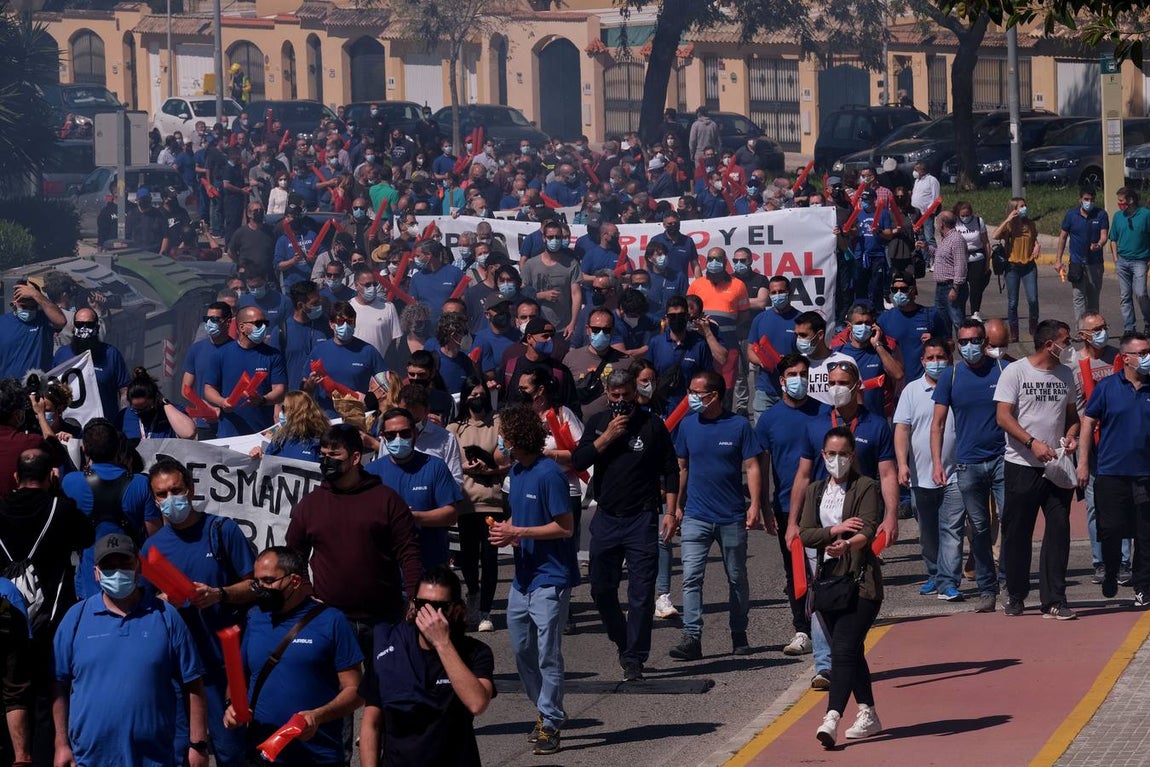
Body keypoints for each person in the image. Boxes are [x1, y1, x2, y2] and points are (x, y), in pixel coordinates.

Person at [53, 533, 209, 767]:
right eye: (108, 566)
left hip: (155, 757)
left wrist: (198, 745)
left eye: (125, 564)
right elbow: (59, 685)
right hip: (90, 758)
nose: (117, 572)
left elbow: (193, 684)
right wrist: (61, 744)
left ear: (138, 567)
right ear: (96, 573)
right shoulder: (75, 618)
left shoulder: (167, 616)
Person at [142, 459, 254, 767]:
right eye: (161, 494)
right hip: (177, 674)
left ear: (190, 489)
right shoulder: (151, 550)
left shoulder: (222, 530)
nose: (170, 499)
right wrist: (161, 606)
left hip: (228, 666)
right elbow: (139, 611)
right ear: (154, 499)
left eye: (175, 490)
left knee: (234, 752)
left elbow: (256, 586)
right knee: (184, 755)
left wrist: (220, 594)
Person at [572, 368, 679, 681]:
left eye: (627, 397)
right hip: (607, 517)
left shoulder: (652, 426)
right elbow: (579, 461)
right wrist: (606, 438)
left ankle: (634, 657)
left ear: (637, 395)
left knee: (641, 593)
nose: (621, 403)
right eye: (615, 397)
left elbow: (671, 471)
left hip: (642, 517)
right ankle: (622, 639)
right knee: (601, 590)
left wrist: (670, 512)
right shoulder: (597, 424)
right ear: (607, 394)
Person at [488, 405, 578, 756]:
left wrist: (520, 531)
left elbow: (565, 527)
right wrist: (507, 532)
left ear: (517, 437)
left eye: (504, 436)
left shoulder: (549, 475)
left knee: (547, 654)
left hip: (551, 578)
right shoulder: (517, 471)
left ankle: (550, 721)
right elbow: (520, 518)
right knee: (522, 650)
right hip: (524, 577)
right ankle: (546, 709)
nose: (501, 442)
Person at [286, 424, 421, 658]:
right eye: (323, 455)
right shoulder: (310, 504)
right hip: (331, 617)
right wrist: (306, 593)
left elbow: (409, 552)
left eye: (335, 455)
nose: (327, 461)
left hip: (383, 619)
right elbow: (294, 555)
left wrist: (414, 597)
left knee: (386, 688)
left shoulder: (386, 500)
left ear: (356, 457)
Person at [223, 546, 364, 766]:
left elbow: (356, 691)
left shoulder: (332, 621)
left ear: (295, 581)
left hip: (318, 757)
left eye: (269, 581)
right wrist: (231, 706)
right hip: (261, 755)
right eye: (257, 582)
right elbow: (239, 675)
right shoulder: (254, 618)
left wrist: (317, 716)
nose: (261, 589)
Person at [0, 449, 93, 766]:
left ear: (16, 478)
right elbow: (86, 536)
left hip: (6, 617)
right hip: (53, 618)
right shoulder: (62, 509)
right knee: (48, 694)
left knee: (10, 692)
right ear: (51, 478)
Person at [358, 566, 494, 767]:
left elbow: (477, 703)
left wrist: (442, 643)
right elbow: (372, 723)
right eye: (423, 604)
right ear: (413, 604)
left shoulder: (475, 653)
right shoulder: (389, 646)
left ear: (456, 609)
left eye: (438, 606)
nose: (428, 613)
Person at [670, 371, 762, 661]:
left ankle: (739, 633)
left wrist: (756, 505)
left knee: (736, 577)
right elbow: (681, 467)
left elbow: (753, 466)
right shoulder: (686, 426)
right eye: (690, 391)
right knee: (691, 578)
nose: (692, 398)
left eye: (698, 393)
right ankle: (692, 637)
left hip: (731, 515)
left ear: (716, 396)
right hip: (696, 515)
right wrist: (676, 506)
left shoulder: (738, 426)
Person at [801, 428, 885, 748]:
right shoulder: (816, 491)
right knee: (851, 650)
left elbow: (867, 529)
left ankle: (831, 718)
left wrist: (848, 544)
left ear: (853, 456)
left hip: (861, 583)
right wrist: (834, 531)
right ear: (823, 456)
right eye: (831, 454)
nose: (837, 460)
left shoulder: (866, 486)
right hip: (829, 584)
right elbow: (806, 533)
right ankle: (868, 713)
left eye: (843, 454)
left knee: (842, 650)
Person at [995, 320, 1081, 619]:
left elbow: (1072, 416)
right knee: (1018, 533)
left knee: (1059, 530)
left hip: (1056, 466)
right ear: (1049, 345)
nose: (1069, 347)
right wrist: (1031, 442)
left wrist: (1071, 437)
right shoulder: (1016, 371)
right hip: (1022, 465)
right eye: (1066, 341)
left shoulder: (1066, 374)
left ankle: (1055, 598)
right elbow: (1003, 417)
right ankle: (1016, 594)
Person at [755, 354, 824, 676]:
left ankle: (826, 623)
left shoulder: (824, 412)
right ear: (782, 381)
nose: (799, 379)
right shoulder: (769, 420)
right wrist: (764, 505)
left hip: (823, 506)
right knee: (795, 571)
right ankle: (802, 628)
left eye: (803, 373)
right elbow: (762, 465)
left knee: (825, 568)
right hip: (786, 507)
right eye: (792, 374)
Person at [931, 319, 1007, 612]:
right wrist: (938, 462)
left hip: (1002, 460)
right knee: (978, 529)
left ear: (985, 342)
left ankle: (1011, 584)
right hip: (968, 465)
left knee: (1011, 523)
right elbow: (937, 425)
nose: (969, 347)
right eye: (962, 342)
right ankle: (987, 589)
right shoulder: (950, 376)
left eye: (974, 340)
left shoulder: (1002, 370)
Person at [1077, 331, 1150, 606]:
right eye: (1142, 353)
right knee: (1110, 529)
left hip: (1145, 474)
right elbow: (1088, 423)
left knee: (1146, 534)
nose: (1147, 358)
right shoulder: (1107, 388)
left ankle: (1143, 586)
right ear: (1126, 358)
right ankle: (1110, 570)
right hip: (1110, 473)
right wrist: (1083, 463)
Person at [894, 338, 965, 602]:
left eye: (940, 357)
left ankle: (949, 581)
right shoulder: (912, 391)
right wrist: (902, 464)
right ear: (922, 361)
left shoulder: (959, 387)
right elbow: (902, 429)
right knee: (927, 531)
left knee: (952, 529)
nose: (936, 363)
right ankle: (934, 572)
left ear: (949, 358)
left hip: (956, 473)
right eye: (930, 358)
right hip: (920, 475)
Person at [61, 418, 161, 600]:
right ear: (118, 448)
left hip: (90, 579)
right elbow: (155, 536)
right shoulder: (141, 483)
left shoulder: (70, 482)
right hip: (133, 576)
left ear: (84, 450)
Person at [1070, 312, 1131, 586]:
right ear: (1082, 334)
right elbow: (1070, 408)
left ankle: (1124, 562)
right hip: (1092, 445)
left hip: (1121, 444)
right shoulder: (1073, 363)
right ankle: (1101, 562)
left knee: (1124, 504)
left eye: (1105, 327)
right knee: (1095, 507)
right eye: (1096, 329)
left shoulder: (1119, 358)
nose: (1102, 332)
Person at [364, 408, 461, 569]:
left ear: (415, 433)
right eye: (390, 435)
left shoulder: (435, 467)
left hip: (429, 566)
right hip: (386, 569)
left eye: (404, 433)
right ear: (382, 437)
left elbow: (450, 515)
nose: (398, 439)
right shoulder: (371, 471)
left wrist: (413, 517)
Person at [448, 378, 508, 632]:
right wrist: (464, 467)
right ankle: (473, 594)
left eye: (481, 394)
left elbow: (507, 458)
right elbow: (450, 462)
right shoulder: (454, 428)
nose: (478, 398)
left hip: (492, 500)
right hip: (466, 502)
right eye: (473, 394)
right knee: (469, 557)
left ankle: (486, 610)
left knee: (490, 556)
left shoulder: (498, 424)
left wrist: (492, 467)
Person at [203, 306, 288, 438]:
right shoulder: (221, 354)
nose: (263, 328)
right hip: (230, 432)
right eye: (258, 324)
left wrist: (262, 400)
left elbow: (280, 390)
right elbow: (209, 389)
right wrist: (222, 402)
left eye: (265, 323)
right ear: (242, 327)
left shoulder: (273, 355)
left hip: (264, 433)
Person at [304, 301, 386, 416]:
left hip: (360, 418)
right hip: (328, 419)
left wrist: (369, 400)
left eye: (350, 321)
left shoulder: (368, 351)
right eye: (340, 322)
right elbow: (304, 388)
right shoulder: (319, 351)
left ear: (355, 323)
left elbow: (385, 386)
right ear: (331, 324)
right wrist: (309, 385)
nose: (346, 326)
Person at [51, 308, 129, 419]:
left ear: (96, 328)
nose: (84, 328)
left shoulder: (111, 354)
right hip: (70, 428)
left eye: (89, 324)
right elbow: (53, 389)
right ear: (73, 328)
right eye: (79, 324)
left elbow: (124, 390)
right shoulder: (61, 354)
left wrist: (123, 419)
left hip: (104, 426)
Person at [832, 302, 904, 415]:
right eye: (859, 323)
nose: (863, 327)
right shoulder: (838, 352)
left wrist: (877, 344)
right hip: (846, 418)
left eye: (867, 323)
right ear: (849, 327)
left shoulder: (881, 351)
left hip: (875, 418)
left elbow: (898, 374)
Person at [878, 272, 947, 382]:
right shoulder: (884, 319)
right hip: (897, 386)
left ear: (913, 290)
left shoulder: (931, 315)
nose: (899, 293)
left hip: (924, 383)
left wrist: (935, 341)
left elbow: (950, 345)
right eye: (894, 290)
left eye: (903, 289)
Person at [519, 220, 583, 338]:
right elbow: (522, 291)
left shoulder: (571, 263)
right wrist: (541, 295)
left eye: (558, 237)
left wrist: (573, 323)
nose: (554, 240)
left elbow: (576, 294)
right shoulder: (531, 264)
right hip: (537, 327)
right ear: (544, 238)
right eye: (550, 237)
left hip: (563, 327)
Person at [748, 275, 800, 417]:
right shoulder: (760, 319)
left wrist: (790, 361)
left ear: (789, 292)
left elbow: (808, 353)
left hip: (793, 389)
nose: (778, 295)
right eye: (774, 292)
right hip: (765, 390)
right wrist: (762, 362)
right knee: (761, 436)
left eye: (781, 292)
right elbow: (750, 350)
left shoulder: (801, 319)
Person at [182, 301, 235, 440]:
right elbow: (186, 389)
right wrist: (204, 409)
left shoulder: (237, 350)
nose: (210, 323)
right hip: (205, 424)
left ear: (228, 322)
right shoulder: (196, 349)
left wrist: (221, 408)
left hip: (233, 422)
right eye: (207, 319)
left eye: (215, 319)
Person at [992, 197, 1042, 342]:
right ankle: (1014, 331)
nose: (1024, 208)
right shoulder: (1009, 226)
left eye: (1025, 205)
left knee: (1033, 299)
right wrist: (1008, 220)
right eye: (1021, 206)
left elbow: (1033, 238)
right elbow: (995, 235)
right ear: (1014, 209)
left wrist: (1037, 245)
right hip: (1012, 267)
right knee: (1013, 302)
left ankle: (1033, 325)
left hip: (1029, 266)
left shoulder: (1030, 224)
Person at [1056, 188, 1109, 325]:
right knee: (1078, 297)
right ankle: (1081, 329)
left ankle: (1093, 327)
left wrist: (1099, 244)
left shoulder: (1101, 214)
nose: (1089, 202)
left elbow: (1104, 236)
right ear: (1080, 199)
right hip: (1077, 263)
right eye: (1086, 199)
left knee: (1093, 298)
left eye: (1091, 200)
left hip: (1095, 263)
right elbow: (1062, 237)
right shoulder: (1071, 215)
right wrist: (1058, 260)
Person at [115, 367, 197, 446]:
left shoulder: (170, 411)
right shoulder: (124, 416)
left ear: (155, 399)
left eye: (146, 407)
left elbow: (188, 433)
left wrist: (164, 402)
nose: (142, 411)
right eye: (137, 409)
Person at [0, 280, 66, 378]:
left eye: (32, 306)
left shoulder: (44, 320)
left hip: (38, 387)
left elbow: (61, 321)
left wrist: (36, 294)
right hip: (9, 389)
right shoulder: (3, 323)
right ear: (15, 301)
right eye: (24, 306)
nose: (28, 310)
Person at [1108, 187, 1150, 334]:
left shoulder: (1145, 215)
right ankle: (1129, 328)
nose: (1119, 204)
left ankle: (1148, 322)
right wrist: (1115, 258)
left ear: (1131, 200)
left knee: (1141, 293)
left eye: (1121, 200)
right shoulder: (1118, 216)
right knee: (1125, 296)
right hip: (1123, 261)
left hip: (1140, 261)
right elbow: (1112, 238)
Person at [792, 311, 854, 405]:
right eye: (797, 335)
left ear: (820, 335)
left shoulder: (845, 361)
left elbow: (856, 400)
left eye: (803, 335)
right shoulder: (796, 364)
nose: (799, 339)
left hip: (834, 418)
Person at [283, 281, 332, 389]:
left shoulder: (326, 325)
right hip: (296, 399)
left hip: (324, 399)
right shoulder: (282, 331)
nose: (320, 305)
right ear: (301, 305)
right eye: (315, 303)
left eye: (319, 301)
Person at [349, 264, 403, 362]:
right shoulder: (348, 307)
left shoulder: (388, 307)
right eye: (367, 285)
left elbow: (395, 341)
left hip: (382, 365)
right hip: (356, 364)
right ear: (356, 285)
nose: (372, 288)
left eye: (374, 284)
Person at [257, 391, 328, 462]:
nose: (280, 413)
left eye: (284, 408)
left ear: (298, 413)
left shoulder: (321, 441)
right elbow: (267, 463)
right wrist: (260, 453)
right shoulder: (279, 439)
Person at [410, 241, 465, 328]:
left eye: (418, 256)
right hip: (426, 330)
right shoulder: (416, 277)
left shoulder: (455, 272)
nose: (415, 259)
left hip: (452, 327)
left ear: (428, 255)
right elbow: (414, 303)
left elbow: (464, 299)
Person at [953, 200, 993, 321]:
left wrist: (987, 261)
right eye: (963, 215)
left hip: (977, 257)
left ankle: (975, 312)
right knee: (961, 287)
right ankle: (960, 311)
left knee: (976, 287)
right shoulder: (955, 223)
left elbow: (985, 242)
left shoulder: (978, 221)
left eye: (967, 215)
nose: (965, 218)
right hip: (961, 258)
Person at [911, 161, 941, 248]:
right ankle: (925, 259)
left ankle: (934, 257)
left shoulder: (932, 180)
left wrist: (929, 210)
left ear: (922, 170)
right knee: (920, 237)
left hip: (926, 214)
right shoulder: (917, 181)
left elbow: (936, 198)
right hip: (916, 213)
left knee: (929, 237)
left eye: (916, 170)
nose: (914, 172)